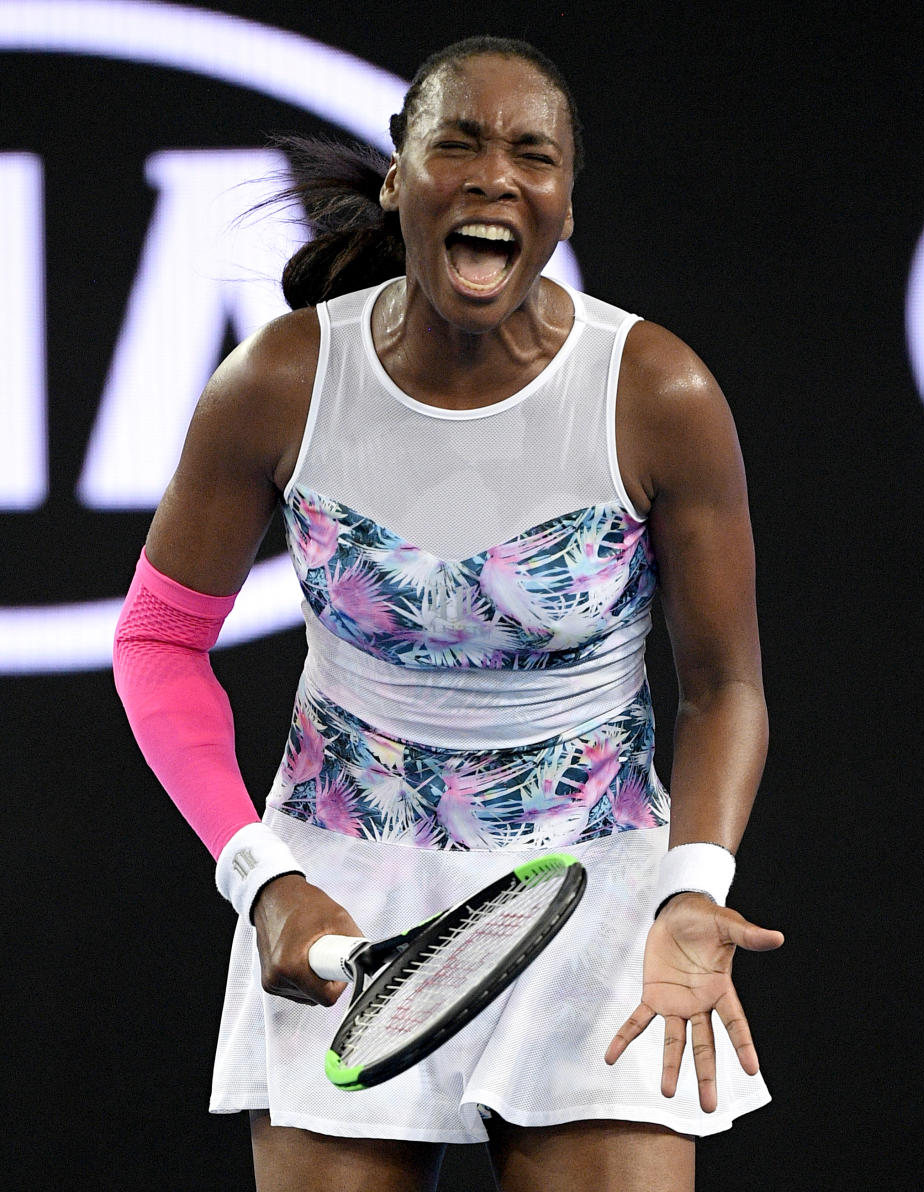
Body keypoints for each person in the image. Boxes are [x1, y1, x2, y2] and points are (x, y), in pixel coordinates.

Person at [114, 35, 784, 1192]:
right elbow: (159, 640)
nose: (493, 177)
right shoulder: (279, 382)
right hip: (339, 890)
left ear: (565, 200)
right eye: (457, 143)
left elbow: (725, 688)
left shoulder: (658, 391)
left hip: (601, 888)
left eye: (533, 154)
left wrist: (693, 887)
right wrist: (264, 879)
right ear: (398, 174)